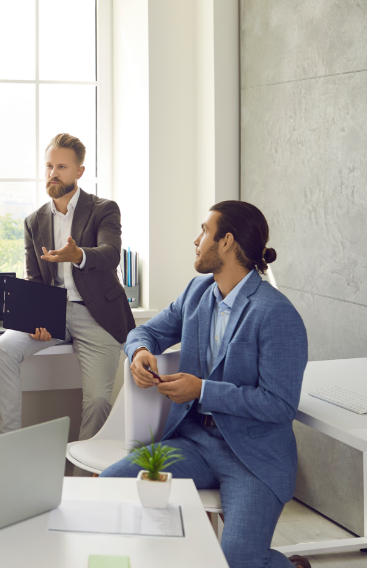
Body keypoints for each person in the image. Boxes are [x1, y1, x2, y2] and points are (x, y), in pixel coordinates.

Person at [100, 201, 311, 568]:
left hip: (252, 457)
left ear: (226, 242)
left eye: (204, 231)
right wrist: (140, 353)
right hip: (194, 441)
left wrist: (202, 391)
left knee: (236, 561)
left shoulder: (275, 313)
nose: (196, 240)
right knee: (108, 487)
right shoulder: (197, 292)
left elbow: (279, 405)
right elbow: (145, 331)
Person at [0, 133, 135, 445]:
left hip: (96, 314)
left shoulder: (104, 209)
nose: (53, 173)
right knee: (3, 349)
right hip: (52, 311)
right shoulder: (34, 220)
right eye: (49, 166)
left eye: (61, 167)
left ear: (79, 172)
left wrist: (79, 255)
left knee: (97, 401)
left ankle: (82, 477)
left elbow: (111, 253)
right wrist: (36, 320)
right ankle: (7, 449)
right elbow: (35, 280)